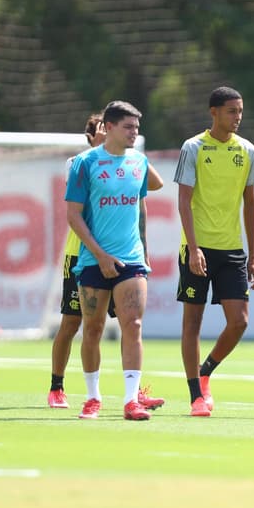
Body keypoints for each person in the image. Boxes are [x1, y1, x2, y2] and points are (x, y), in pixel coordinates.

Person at [48, 114, 165, 410]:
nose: (131, 133)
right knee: (77, 323)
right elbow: (75, 211)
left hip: (126, 257)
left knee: (131, 324)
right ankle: (58, 385)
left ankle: (132, 394)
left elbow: (146, 196)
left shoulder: (131, 162)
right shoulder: (81, 163)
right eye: (102, 131)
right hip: (83, 254)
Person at [174, 86, 254, 417]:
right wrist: (193, 248)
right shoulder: (194, 148)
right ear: (214, 112)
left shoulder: (247, 150)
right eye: (231, 111)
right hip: (198, 249)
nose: (237, 117)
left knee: (239, 321)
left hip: (232, 250)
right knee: (192, 324)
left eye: (240, 111)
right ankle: (196, 395)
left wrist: (253, 256)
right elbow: (183, 201)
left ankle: (206, 370)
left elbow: (250, 206)